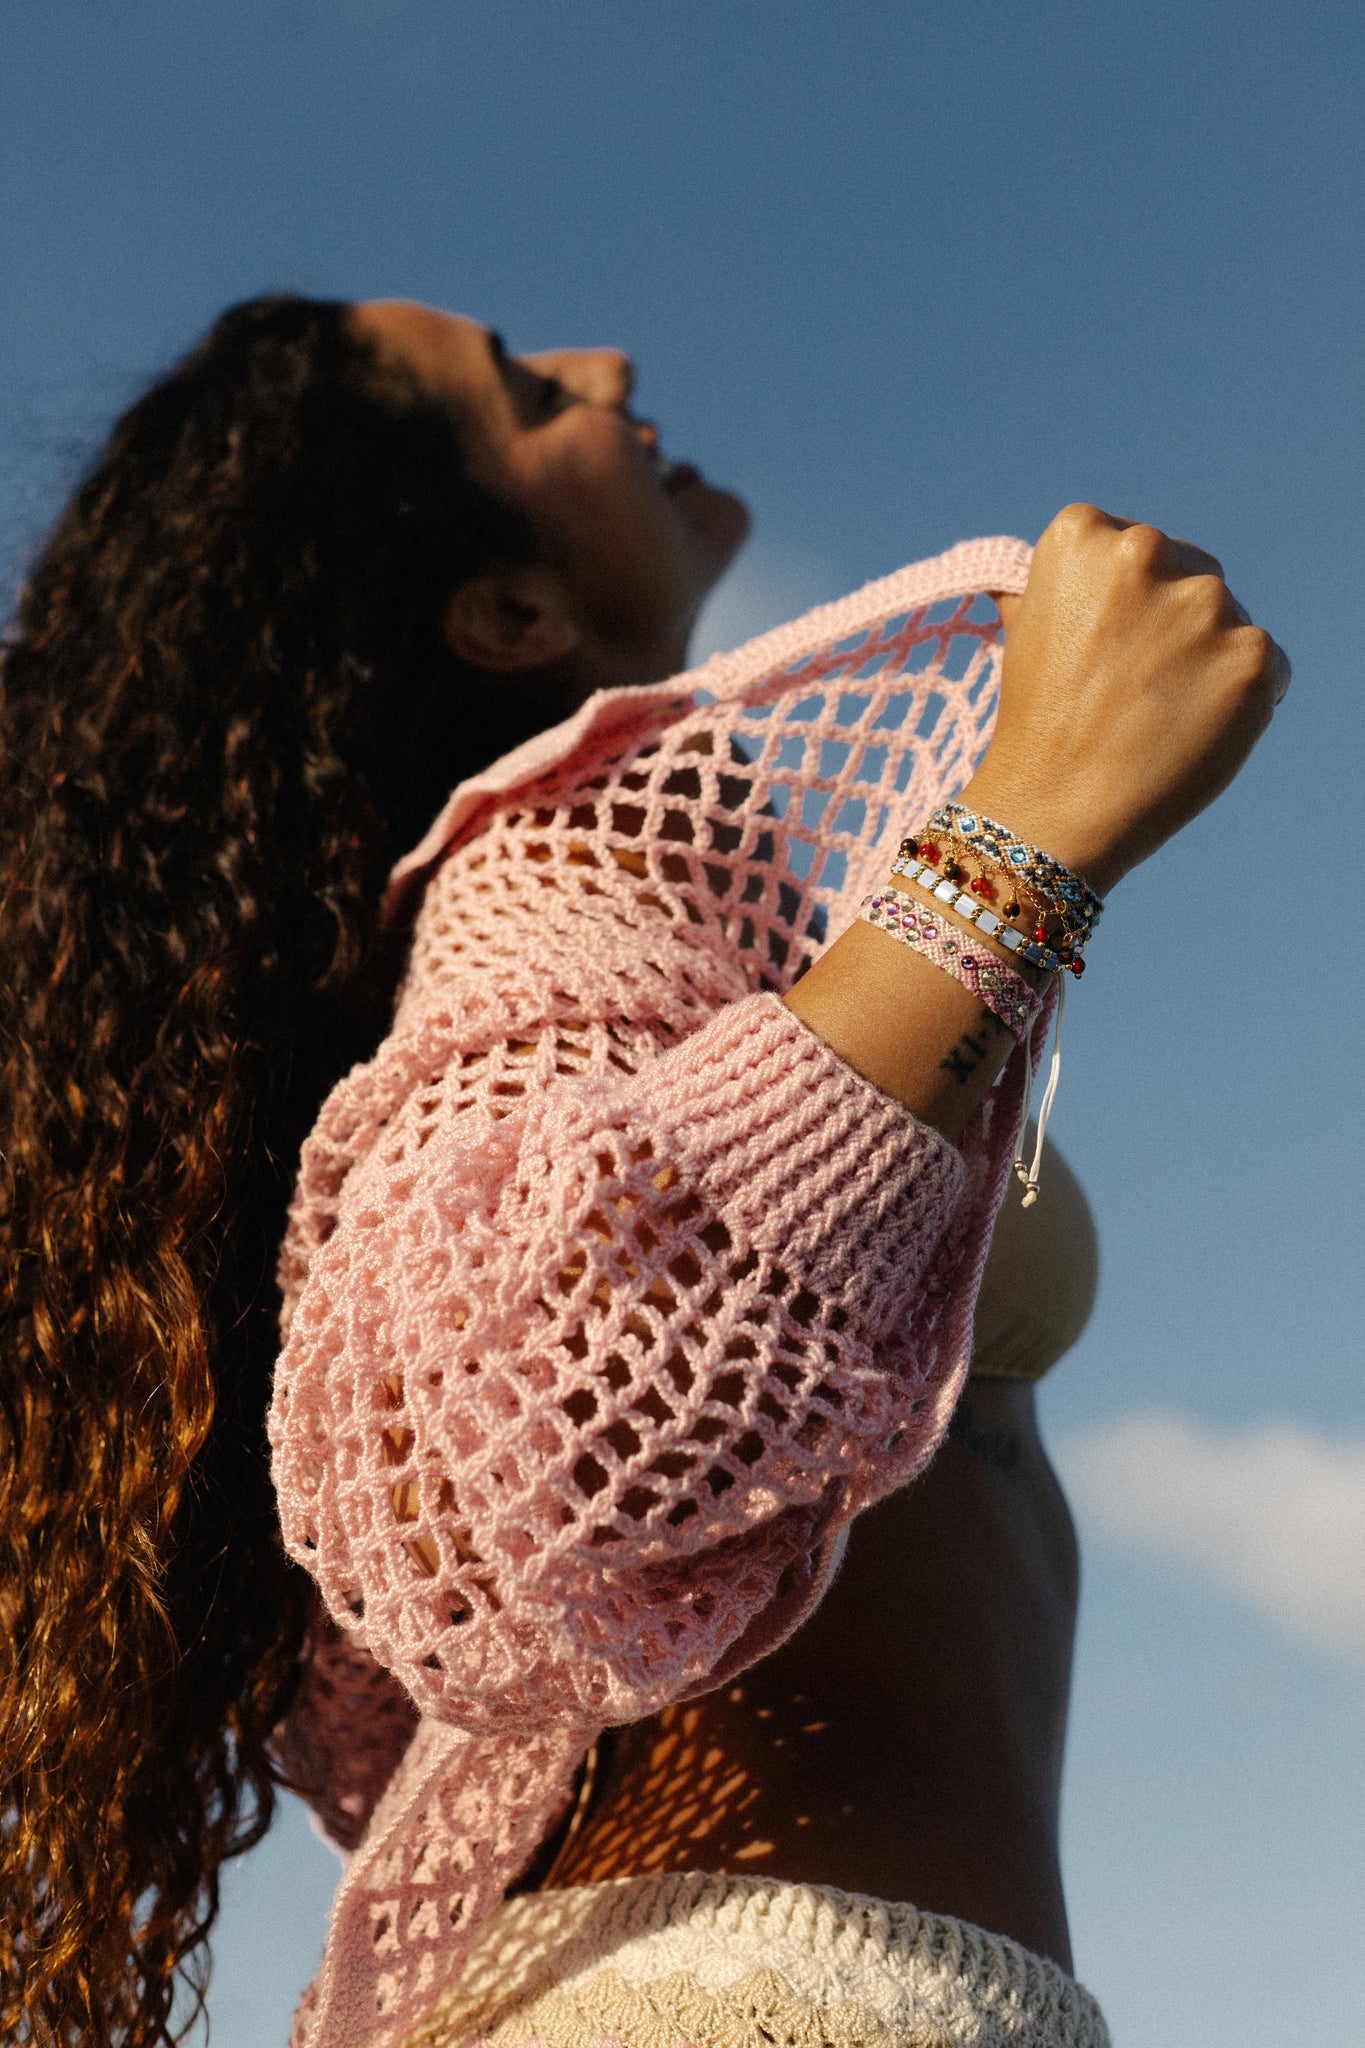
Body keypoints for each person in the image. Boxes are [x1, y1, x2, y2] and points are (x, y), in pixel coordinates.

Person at [0, 293, 1286, 2048]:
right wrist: (1028, 833)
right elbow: (531, 1411)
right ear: (510, 610)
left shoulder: (631, 925)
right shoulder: (547, 863)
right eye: (528, 393)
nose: (604, 368)